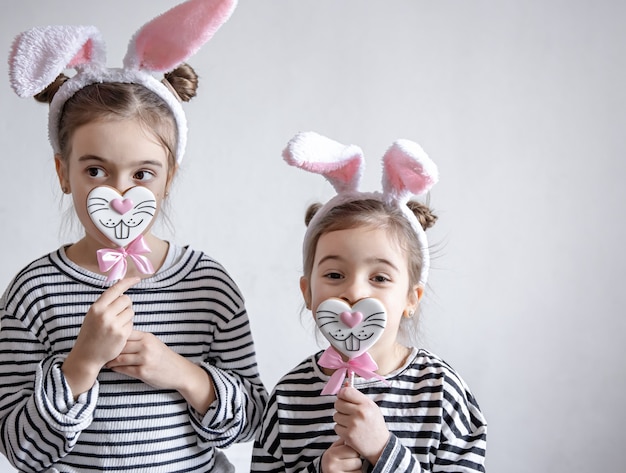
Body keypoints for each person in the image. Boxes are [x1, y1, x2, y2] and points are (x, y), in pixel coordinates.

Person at [1, 1, 267, 472]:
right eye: (96, 170)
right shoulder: (32, 291)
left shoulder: (207, 284)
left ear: (169, 178)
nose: (120, 192)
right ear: (64, 173)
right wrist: (80, 364)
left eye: (143, 173)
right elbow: (20, 450)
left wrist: (183, 373)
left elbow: (252, 422)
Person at [251, 131, 487, 472]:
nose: (356, 292)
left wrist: (383, 451)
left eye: (379, 278)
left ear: (411, 297)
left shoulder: (441, 393)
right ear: (308, 292)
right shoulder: (289, 397)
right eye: (334, 275)